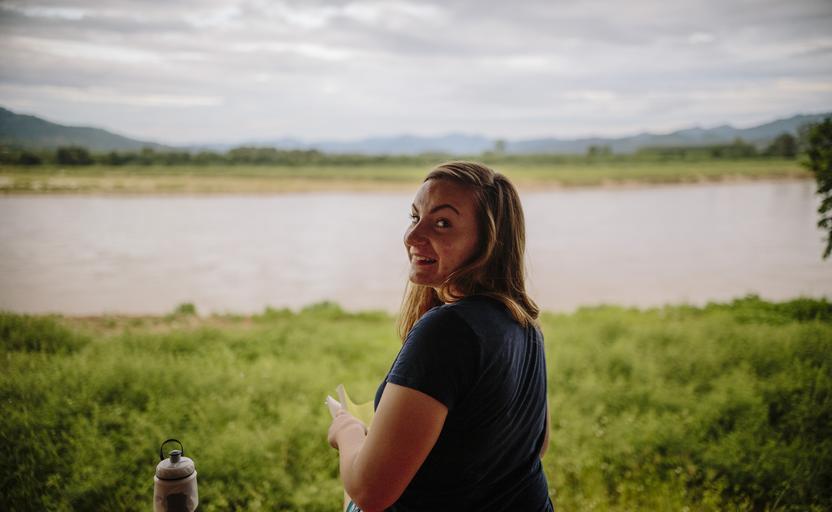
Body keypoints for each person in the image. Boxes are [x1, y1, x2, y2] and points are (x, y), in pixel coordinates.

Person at [327, 161, 553, 512]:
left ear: (489, 241)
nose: (412, 236)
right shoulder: (525, 325)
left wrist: (348, 432)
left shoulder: (448, 330)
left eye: (443, 223)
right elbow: (537, 445)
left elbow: (371, 493)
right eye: (415, 217)